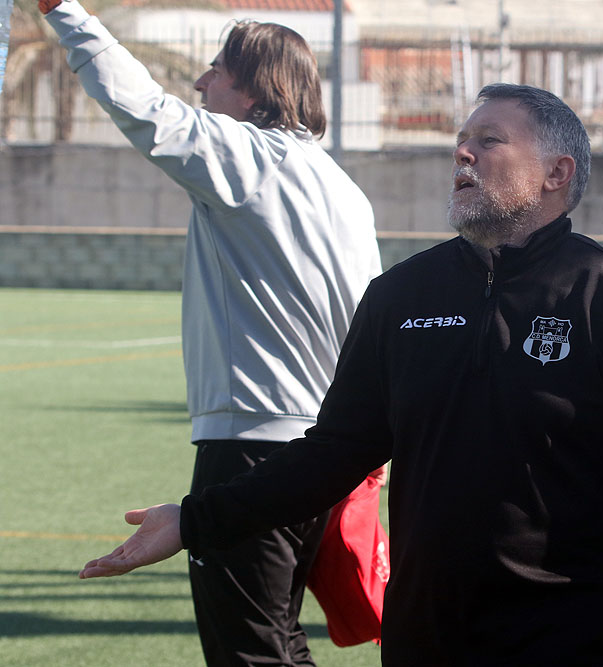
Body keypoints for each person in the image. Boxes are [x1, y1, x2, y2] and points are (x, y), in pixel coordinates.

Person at [79, 82, 603, 667]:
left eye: (489, 141)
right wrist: (196, 517)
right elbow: (331, 454)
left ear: (556, 173)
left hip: (568, 638)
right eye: (460, 142)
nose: (462, 155)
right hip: (424, 635)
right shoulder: (400, 296)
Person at [41, 1, 383, 664]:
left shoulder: (248, 156)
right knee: (278, 638)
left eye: (217, 70)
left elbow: (143, 109)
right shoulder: (342, 188)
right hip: (321, 453)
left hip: (253, 445)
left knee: (249, 651)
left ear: (255, 91)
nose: (200, 82)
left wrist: (65, 12)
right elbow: (367, 324)